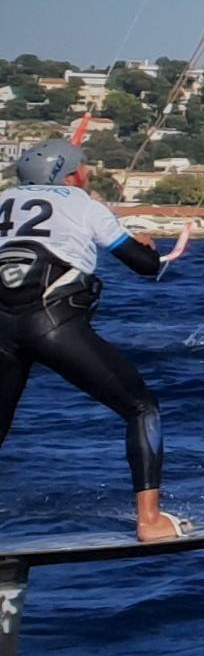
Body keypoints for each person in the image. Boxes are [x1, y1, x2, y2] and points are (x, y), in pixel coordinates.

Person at [0, 139, 183, 541]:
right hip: (54, 323)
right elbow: (143, 267)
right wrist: (148, 251)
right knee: (141, 407)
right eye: (83, 170)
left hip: (2, 326)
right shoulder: (83, 203)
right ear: (70, 175)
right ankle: (150, 521)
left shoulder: (4, 199)